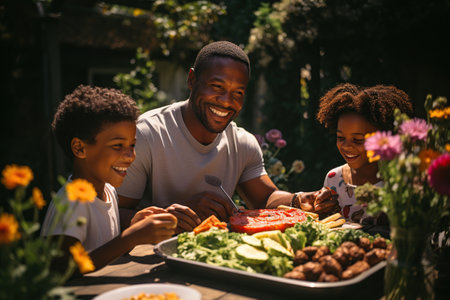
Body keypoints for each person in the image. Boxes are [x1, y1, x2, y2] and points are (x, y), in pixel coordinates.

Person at [117, 41, 337, 226]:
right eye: (217, 87)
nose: (226, 101)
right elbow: (113, 213)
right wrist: (175, 215)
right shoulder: (146, 134)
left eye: (237, 92)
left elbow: (265, 198)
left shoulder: (243, 143)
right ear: (192, 80)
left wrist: (300, 200)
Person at [41, 85, 179, 273]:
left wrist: (135, 229)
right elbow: (60, 269)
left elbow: (105, 253)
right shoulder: (73, 201)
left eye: (132, 145)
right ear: (80, 148)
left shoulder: (109, 191)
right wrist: (130, 238)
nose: (130, 156)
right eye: (118, 146)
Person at [314, 83, 413, 230]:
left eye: (358, 140)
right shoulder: (333, 178)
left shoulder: (400, 181)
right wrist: (321, 211)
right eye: (341, 138)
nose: (346, 146)